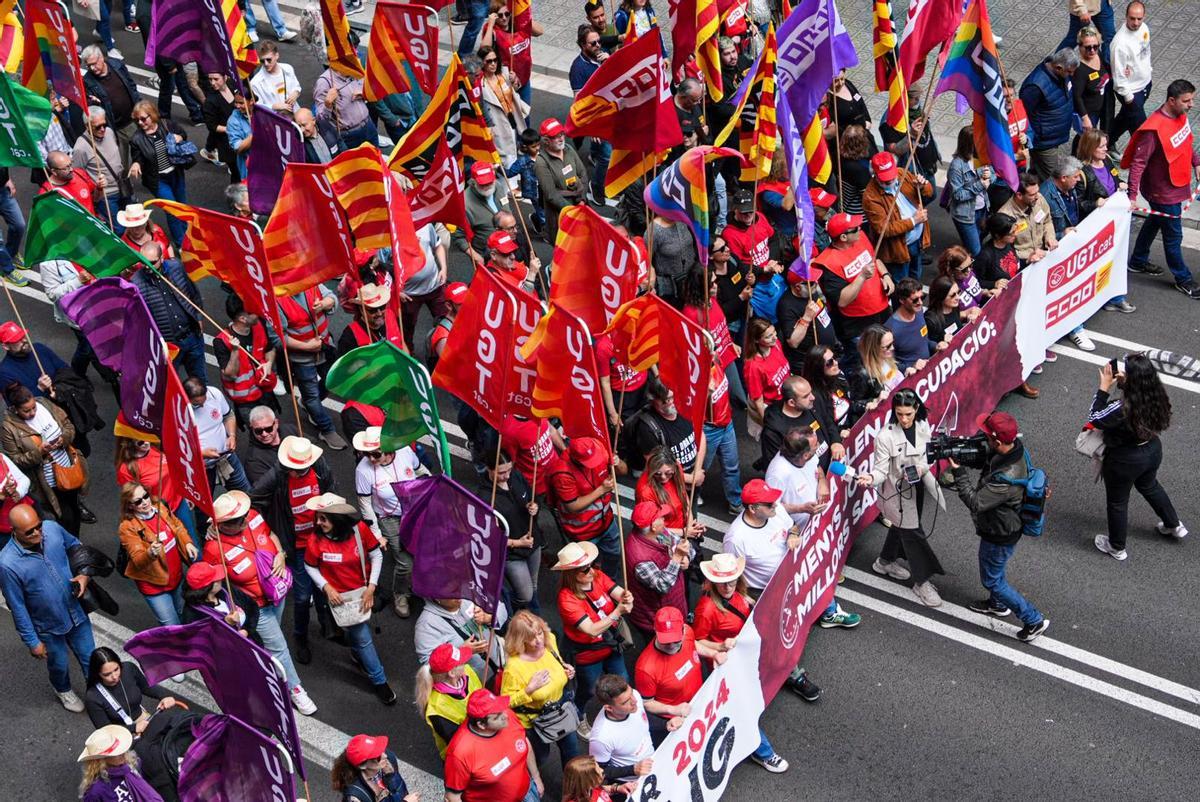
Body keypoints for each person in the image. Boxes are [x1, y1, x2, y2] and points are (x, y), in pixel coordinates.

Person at [200, 490, 318, 714]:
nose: (244, 520)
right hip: (256, 606)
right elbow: (216, 583)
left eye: (244, 515)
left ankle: (264, 665)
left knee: (272, 642)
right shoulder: (214, 549)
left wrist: (281, 553)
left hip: (277, 594)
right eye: (236, 520)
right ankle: (295, 689)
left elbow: (271, 534)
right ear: (222, 524)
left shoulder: (253, 516)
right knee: (279, 647)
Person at [948, 412, 1051, 642]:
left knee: (992, 580)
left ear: (997, 441)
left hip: (1000, 533)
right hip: (1003, 527)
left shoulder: (1006, 477)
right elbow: (987, 458)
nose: (984, 438)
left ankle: (1033, 620)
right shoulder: (1015, 449)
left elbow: (976, 502)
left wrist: (958, 470)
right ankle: (996, 604)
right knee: (994, 570)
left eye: (987, 436)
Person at [723, 479, 859, 631]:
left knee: (815, 566)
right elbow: (730, 574)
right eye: (769, 504)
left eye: (774, 500)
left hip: (792, 570)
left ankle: (829, 612)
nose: (775, 504)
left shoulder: (776, 511)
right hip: (766, 589)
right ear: (753, 509)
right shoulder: (736, 539)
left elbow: (792, 526)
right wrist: (745, 597)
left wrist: (792, 535)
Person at [0, 503, 95, 712]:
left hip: (76, 613)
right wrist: (32, 641)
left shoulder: (52, 528)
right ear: (13, 531)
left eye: (38, 526)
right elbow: (17, 606)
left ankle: (100, 696)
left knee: (91, 659)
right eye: (29, 531)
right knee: (59, 665)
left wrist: (84, 574)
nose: (37, 533)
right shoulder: (7, 564)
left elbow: (76, 546)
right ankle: (62, 689)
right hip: (48, 626)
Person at [1089, 354, 1185, 560]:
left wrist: (1104, 388)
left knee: (1117, 502)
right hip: (1152, 450)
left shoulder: (1121, 407)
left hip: (1124, 460)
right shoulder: (1156, 395)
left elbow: (1095, 418)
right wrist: (1124, 384)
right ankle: (1173, 524)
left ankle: (1116, 547)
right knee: (1150, 485)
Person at [251, 435, 338, 658]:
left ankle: (328, 626)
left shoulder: (319, 467)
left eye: (300, 469)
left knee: (324, 587)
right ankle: (300, 636)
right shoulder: (278, 475)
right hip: (297, 545)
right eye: (293, 468)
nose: (295, 472)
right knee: (301, 596)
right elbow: (254, 498)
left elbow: (331, 491)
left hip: (321, 540)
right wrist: (269, 529)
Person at [858, 389, 947, 607]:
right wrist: (870, 478)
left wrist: (922, 468)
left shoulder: (923, 426)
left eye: (908, 413)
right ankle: (922, 581)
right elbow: (880, 471)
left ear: (916, 409)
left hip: (917, 488)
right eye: (899, 414)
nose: (904, 419)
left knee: (902, 527)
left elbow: (928, 456)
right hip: (897, 494)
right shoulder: (885, 437)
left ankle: (885, 561)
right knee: (914, 535)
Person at [304, 500, 397, 704]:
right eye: (317, 518)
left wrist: (371, 587)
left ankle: (372, 673)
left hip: (362, 592)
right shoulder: (314, 540)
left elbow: (376, 555)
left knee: (360, 636)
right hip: (339, 598)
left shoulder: (359, 530)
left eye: (323, 519)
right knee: (362, 636)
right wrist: (326, 587)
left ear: (337, 519)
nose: (318, 523)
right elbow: (310, 566)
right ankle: (379, 680)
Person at [1124, 79, 1200, 299]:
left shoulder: (1180, 115)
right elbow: (1138, 164)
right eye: (1187, 100)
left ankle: (1137, 261)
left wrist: (1196, 162)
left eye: (1192, 99)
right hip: (1162, 192)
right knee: (1173, 236)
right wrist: (1132, 196)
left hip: (1174, 185)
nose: (1191, 105)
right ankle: (1183, 279)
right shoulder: (1153, 130)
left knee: (1155, 221)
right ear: (1171, 100)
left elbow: (1186, 140)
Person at [634, 608, 734, 749]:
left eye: (675, 640)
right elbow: (647, 703)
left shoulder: (688, 631)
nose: (671, 645)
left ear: (682, 630)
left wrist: (713, 654)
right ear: (655, 631)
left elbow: (693, 644)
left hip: (701, 701)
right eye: (666, 641)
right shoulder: (645, 668)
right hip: (676, 720)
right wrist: (673, 710)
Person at [553, 541, 633, 712]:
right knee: (589, 690)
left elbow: (617, 592)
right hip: (588, 654)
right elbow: (591, 629)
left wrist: (626, 598)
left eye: (591, 565)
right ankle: (579, 715)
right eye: (585, 569)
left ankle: (619, 709)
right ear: (572, 574)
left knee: (623, 679)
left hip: (610, 644)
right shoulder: (567, 599)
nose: (591, 571)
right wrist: (618, 611)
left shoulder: (596, 575)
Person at [1, 384, 89, 534]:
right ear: (16, 409)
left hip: (68, 468)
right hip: (47, 481)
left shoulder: (44, 403)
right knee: (64, 516)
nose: (32, 412)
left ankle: (75, 541)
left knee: (74, 506)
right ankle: (72, 545)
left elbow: (68, 425)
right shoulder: (9, 428)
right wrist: (39, 452)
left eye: (33, 407)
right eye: (26, 411)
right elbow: (17, 460)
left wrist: (64, 439)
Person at [352, 426, 420, 617]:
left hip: (414, 512)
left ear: (389, 449)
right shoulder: (363, 471)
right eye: (367, 454)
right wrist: (377, 534)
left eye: (376, 454)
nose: (371, 459)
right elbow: (364, 504)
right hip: (389, 518)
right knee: (405, 562)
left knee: (422, 551)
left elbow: (420, 470)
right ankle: (401, 594)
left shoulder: (406, 451)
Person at [499, 610, 581, 768]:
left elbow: (557, 661)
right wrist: (528, 690)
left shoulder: (550, 640)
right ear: (521, 640)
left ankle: (575, 789)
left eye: (539, 633)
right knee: (540, 759)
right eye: (531, 638)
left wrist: (566, 669)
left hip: (560, 710)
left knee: (573, 754)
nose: (539, 641)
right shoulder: (514, 667)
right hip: (536, 722)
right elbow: (505, 702)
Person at [277, 284, 349, 450]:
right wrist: (307, 347)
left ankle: (309, 404)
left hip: (325, 348)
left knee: (333, 380)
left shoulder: (309, 281)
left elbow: (332, 296)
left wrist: (325, 303)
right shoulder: (277, 301)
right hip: (302, 358)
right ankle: (326, 429)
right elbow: (279, 338)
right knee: (311, 395)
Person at [117, 482, 196, 626]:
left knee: (183, 615)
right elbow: (138, 560)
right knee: (172, 626)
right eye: (138, 501)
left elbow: (177, 526)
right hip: (155, 586)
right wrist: (150, 553)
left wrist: (188, 542)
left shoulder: (160, 507)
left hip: (176, 578)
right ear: (129, 506)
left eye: (145, 496)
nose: (145, 502)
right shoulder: (127, 528)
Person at [444, 689, 543, 802]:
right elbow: (452, 797)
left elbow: (525, 744)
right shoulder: (460, 752)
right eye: (497, 716)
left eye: (501, 709)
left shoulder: (507, 716)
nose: (505, 716)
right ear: (481, 724)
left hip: (528, 793)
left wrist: (536, 777)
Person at [814, 212, 894, 347]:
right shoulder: (829, 263)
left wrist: (886, 275)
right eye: (855, 228)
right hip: (858, 325)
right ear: (844, 237)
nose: (860, 229)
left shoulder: (860, 238)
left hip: (882, 311)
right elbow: (842, 300)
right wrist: (862, 276)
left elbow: (875, 260)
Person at [546, 437, 623, 578]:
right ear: (575, 459)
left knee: (614, 554)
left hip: (607, 522)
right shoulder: (562, 473)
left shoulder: (599, 450)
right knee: (585, 569)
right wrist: (601, 490)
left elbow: (623, 471)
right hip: (582, 531)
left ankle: (609, 580)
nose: (593, 465)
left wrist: (618, 463)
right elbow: (572, 506)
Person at [130, 243, 206, 379]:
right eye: (143, 262)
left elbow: (193, 292)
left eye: (152, 262)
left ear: (162, 258)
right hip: (169, 344)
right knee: (171, 384)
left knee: (200, 382)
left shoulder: (176, 267)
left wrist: (199, 317)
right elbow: (140, 320)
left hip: (192, 335)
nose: (148, 266)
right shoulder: (137, 283)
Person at [624, 499, 695, 639]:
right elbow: (663, 585)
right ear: (653, 526)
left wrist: (685, 558)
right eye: (661, 517)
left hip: (674, 604)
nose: (664, 519)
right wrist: (677, 557)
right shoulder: (640, 557)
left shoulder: (661, 534)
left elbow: (684, 547)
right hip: (655, 619)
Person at [862, 150, 934, 283]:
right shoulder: (870, 197)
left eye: (891, 176)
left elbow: (929, 193)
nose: (890, 180)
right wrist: (914, 220)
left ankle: (914, 298)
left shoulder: (901, 172)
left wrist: (923, 186)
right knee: (902, 285)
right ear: (875, 175)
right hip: (898, 250)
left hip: (917, 242)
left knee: (916, 277)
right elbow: (884, 229)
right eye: (885, 178)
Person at [127, 102, 191, 245]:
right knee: (172, 211)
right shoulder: (136, 139)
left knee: (182, 206)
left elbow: (183, 133)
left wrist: (180, 137)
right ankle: (182, 244)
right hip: (158, 180)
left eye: (144, 119)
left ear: (153, 115)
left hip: (176, 173)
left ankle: (188, 235)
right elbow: (138, 157)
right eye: (137, 120)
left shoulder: (166, 125)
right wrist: (136, 164)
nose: (140, 123)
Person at [214, 294, 281, 427]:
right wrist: (234, 351)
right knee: (259, 431)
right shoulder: (221, 341)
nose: (258, 312)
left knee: (272, 424)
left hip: (265, 390)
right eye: (253, 311)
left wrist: (268, 363)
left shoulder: (259, 325)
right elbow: (230, 374)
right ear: (243, 318)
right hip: (246, 400)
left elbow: (269, 349)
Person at [488, 450, 543, 612]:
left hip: (533, 540)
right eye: (501, 472)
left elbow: (533, 497)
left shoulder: (516, 477)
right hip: (511, 553)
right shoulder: (485, 497)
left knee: (533, 586)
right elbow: (491, 537)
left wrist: (534, 506)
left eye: (509, 470)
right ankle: (506, 609)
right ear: (489, 469)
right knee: (525, 594)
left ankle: (535, 618)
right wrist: (518, 543)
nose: (506, 475)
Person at [1019, 49, 1081, 179]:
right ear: (1058, 67)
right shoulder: (1035, 85)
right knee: (1055, 179)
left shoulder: (1062, 75)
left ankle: (1032, 195)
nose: (1072, 75)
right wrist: (1036, 137)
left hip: (1054, 135)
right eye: (1069, 72)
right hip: (1044, 142)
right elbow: (1025, 115)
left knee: (1037, 174)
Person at [414, 596, 508, 682]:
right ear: (437, 597)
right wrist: (461, 652)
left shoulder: (470, 593)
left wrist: (489, 618)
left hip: (502, 660)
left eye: (457, 586)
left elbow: (501, 608)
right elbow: (431, 667)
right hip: (475, 683)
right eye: (451, 592)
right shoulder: (425, 625)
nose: (458, 594)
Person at [84, 647, 176, 733]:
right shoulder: (92, 697)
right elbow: (105, 729)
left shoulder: (128, 668)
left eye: (116, 669)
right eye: (107, 674)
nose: (115, 677)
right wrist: (133, 728)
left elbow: (146, 687)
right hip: (118, 733)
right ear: (97, 674)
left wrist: (164, 696)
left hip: (142, 720)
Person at [417, 642, 484, 759]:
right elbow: (458, 742)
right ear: (452, 673)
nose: (465, 662)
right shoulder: (436, 709)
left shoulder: (467, 671)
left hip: (483, 733)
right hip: (464, 753)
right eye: (461, 661)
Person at [587, 673, 658, 783]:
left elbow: (641, 718)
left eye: (631, 694)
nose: (634, 701)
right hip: (629, 783)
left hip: (654, 763)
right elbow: (599, 771)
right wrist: (633, 769)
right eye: (626, 702)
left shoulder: (635, 697)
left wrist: (666, 724)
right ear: (609, 708)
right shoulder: (601, 737)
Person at [764, 428, 829, 535]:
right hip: (797, 531)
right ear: (805, 455)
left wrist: (822, 481)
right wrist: (801, 508)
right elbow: (771, 507)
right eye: (816, 445)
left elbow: (817, 466)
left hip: (815, 521)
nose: (818, 445)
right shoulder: (778, 474)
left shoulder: (808, 455)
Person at [77, 725, 164, 802]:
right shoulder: (96, 791)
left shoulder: (130, 764)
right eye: (116, 753)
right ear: (101, 760)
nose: (122, 753)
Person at [534, 118, 588, 242]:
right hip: (561, 212)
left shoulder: (568, 149)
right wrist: (572, 211)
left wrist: (582, 200)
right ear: (546, 140)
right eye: (556, 137)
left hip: (580, 204)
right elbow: (551, 195)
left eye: (562, 134)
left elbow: (583, 174)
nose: (561, 138)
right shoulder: (541, 163)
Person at [1108, 1, 1152, 148]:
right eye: (1132, 18)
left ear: (1144, 16)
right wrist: (1128, 98)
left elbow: (1145, 52)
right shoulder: (1119, 44)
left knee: (1124, 119)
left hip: (1145, 84)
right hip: (1131, 91)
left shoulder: (1144, 28)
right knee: (1141, 133)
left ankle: (1106, 144)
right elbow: (1118, 75)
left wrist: (1148, 71)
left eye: (1139, 18)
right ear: (1126, 17)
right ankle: (1145, 162)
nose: (1136, 22)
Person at [476, 44, 529, 166]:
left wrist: (515, 80)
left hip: (513, 117)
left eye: (495, 60)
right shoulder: (480, 84)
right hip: (498, 124)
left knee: (516, 146)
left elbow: (515, 89)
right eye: (489, 61)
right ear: (482, 63)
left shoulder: (504, 73)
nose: (493, 64)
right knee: (506, 157)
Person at [71, 107, 124, 228]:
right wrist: (95, 189)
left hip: (123, 188)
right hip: (106, 196)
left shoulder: (109, 132)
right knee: (119, 229)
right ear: (86, 126)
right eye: (97, 127)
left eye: (104, 125)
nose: (103, 129)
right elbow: (78, 175)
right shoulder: (81, 147)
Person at [181, 561, 260, 640]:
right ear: (209, 587)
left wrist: (246, 630)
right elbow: (203, 642)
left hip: (253, 643)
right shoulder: (192, 614)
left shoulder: (225, 588)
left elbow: (252, 605)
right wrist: (226, 624)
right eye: (216, 578)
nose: (221, 578)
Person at [81, 47, 139, 154]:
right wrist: (92, 102)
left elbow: (131, 85)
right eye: (88, 66)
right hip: (116, 128)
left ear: (101, 58)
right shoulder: (88, 81)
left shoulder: (117, 65)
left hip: (134, 120)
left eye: (94, 63)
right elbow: (88, 106)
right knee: (123, 163)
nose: (92, 68)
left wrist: (140, 106)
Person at [946, 126, 992, 256]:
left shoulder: (979, 157)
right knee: (976, 250)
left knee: (979, 237)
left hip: (982, 209)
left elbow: (992, 174)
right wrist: (980, 185)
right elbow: (957, 195)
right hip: (965, 215)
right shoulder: (957, 166)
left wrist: (990, 176)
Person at [331, 734, 419, 802]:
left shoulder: (389, 759)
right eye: (377, 757)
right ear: (362, 765)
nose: (384, 756)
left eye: (381, 750)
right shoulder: (356, 796)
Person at [313, 64, 378, 150]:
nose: (355, 55)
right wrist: (327, 104)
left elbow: (370, 90)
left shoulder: (356, 70)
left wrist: (364, 94)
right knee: (356, 163)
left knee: (377, 160)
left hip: (369, 126)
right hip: (350, 136)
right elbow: (321, 120)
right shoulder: (324, 83)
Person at [241, 406, 298, 485]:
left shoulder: (290, 430)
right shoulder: (253, 461)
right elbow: (264, 488)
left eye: (268, 429)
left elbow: (313, 444)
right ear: (251, 428)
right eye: (258, 431)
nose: (264, 434)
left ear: (276, 423)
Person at [1072, 26, 1114, 133]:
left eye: (1095, 46)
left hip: (1103, 104)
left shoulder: (1098, 54)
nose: (1092, 50)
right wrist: (1085, 118)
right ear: (1080, 46)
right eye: (1087, 47)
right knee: (1088, 139)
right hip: (1090, 112)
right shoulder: (1080, 69)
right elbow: (1077, 96)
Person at [201, 72, 238, 180]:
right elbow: (212, 126)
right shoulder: (211, 101)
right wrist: (231, 129)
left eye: (216, 79)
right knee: (237, 174)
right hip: (227, 142)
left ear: (225, 77)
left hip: (241, 135)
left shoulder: (232, 85)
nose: (212, 83)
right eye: (210, 79)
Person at [39, 150, 99, 214]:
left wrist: (99, 188)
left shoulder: (79, 174)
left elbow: (95, 199)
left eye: (70, 165)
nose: (71, 169)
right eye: (65, 168)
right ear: (54, 171)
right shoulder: (46, 193)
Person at [250, 42, 301, 116]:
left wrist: (296, 93)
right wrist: (273, 106)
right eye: (262, 61)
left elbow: (296, 86)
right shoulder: (255, 82)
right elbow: (257, 106)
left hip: (295, 112)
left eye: (269, 59)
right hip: (276, 118)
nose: (266, 63)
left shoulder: (288, 68)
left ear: (276, 55)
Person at [832, 124, 874, 216]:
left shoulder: (838, 158)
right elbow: (868, 196)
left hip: (844, 205)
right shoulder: (859, 170)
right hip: (858, 213)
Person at [561, 755, 637, 802]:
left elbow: (600, 790)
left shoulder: (589, 789)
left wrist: (618, 788)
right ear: (588, 782)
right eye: (598, 772)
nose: (602, 770)